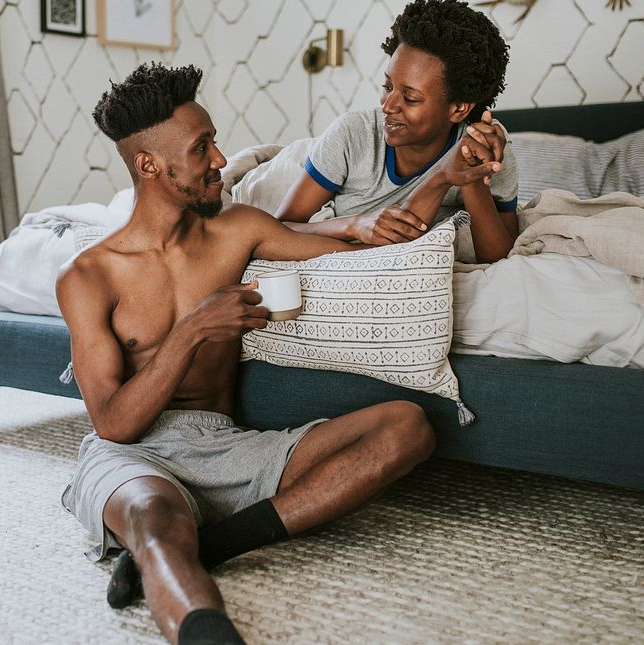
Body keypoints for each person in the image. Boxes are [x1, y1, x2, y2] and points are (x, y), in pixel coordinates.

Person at [56, 62, 437, 645]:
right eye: (201, 146)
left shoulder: (238, 229)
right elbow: (115, 422)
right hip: (134, 455)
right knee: (157, 525)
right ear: (149, 165)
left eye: (212, 140)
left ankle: (218, 542)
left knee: (408, 426)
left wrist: (366, 221)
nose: (218, 158)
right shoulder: (87, 277)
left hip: (227, 443)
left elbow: (331, 243)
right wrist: (193, 330)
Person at [275, 0, 518, 264]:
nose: (388, 106)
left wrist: (470, 174)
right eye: (387, 86)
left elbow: (498, 258)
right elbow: (278, 228)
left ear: (459, 109)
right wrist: (354, 225)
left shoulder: (487, 148)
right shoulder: (353, 135)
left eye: (410, 98)